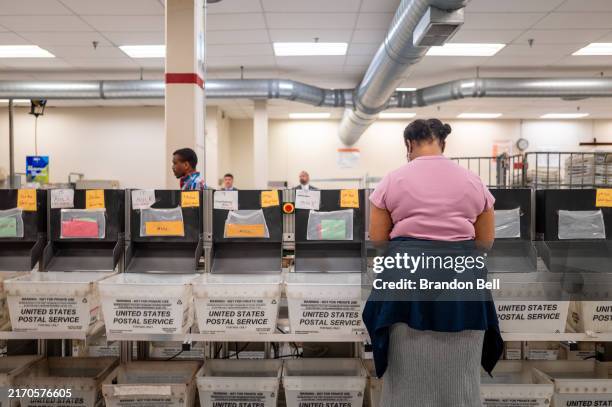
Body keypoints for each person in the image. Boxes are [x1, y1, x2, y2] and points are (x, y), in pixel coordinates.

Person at [364, 119, 503, 407]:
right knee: (461, 375)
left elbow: (378, 239)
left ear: (408, 144)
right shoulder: (471, 180)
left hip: (407, 280)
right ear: (443, 143)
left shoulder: (392, 179)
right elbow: (485, 240)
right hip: (462, 281)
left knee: (407, 372)